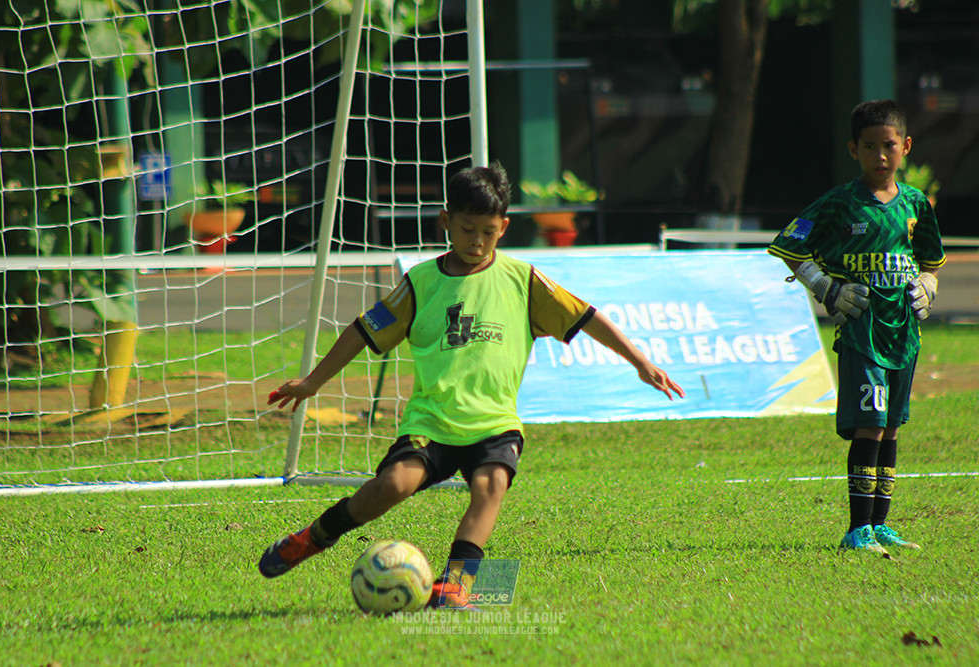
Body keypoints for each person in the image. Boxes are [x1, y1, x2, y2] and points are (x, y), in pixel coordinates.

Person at [259, 162, 685, 607]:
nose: (476, 241)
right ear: (446, 222)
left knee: (490, 486)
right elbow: (362, 330)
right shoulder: (420, 283)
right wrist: (312, 381)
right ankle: (312, 538)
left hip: (495, 423)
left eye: (487, 231)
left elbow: (586, 317)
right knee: (393, 488)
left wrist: (640, 360)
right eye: (466, 229)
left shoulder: (524, 281)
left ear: (503, 227)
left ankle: (455, 584)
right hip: (431, 421)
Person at [768, 100, 945, 556]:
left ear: (905, 146)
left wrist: (927, 284)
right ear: (854, 149)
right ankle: (856, 530)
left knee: (890, 429)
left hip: (903, 334)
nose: (880, 156)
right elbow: (789, 246)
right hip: (862, 333)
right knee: (869, 426)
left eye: (889, 146)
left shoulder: (915, 205)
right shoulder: (838, 203)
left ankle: (881, 525)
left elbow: (929, 262)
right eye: (869, 147)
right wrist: (825, 288)